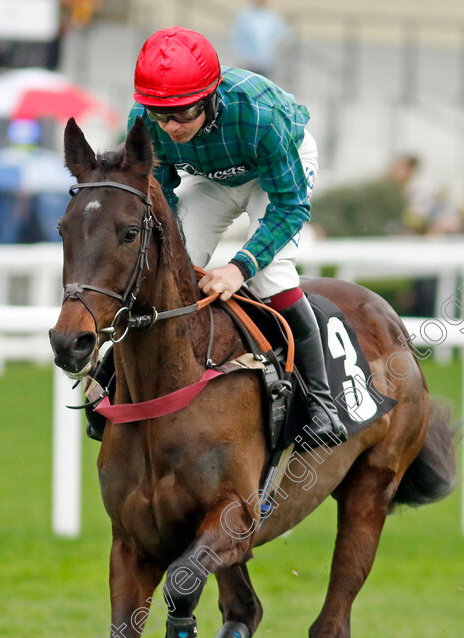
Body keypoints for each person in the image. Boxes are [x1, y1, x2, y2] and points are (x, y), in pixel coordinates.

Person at [128, 26, 347, 443]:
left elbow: (290, 207)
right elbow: (159, 196)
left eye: (184, 113)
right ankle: (117, 378)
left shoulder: (259, 114)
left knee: (270, 276)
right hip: (210, 178)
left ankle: (322, 406)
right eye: (162, 115)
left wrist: (238, 267)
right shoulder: (143, 120)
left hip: (276, 173)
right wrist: (172, 248)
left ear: (210, 97)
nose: (172, 127)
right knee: (164, 266)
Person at [230, 0, 293, 80]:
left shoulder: (272, 17)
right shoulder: (244, 15)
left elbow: (285, 36)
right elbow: (237, 39)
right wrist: (241, 58)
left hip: (267, 63)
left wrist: (278, 49)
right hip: (249, 63)